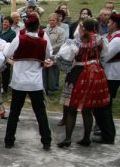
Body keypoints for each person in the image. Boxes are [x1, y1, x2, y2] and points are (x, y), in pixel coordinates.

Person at [54, 18, 110, 147]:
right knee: (87, 109)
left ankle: (68, 138)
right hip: (96, 73)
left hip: (79, 73)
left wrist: (55, 59)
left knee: (71, 109)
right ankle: (86, 137)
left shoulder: (76, 42)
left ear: (83, 28)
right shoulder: (101, 40)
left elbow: (66, 57)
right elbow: (104, 55)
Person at [3, 14, 53, 150]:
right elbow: (48, 55)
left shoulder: (19, 39)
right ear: (38, 27)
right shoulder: (43, 42)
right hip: (35, 82)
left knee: (14, 112)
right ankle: (46, 140)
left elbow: (7, 53)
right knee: (40, 113)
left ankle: (9, 140)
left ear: (25, 27)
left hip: (19, 81)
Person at [93, 13, 120, 145]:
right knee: (104, 106)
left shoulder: (117, 39)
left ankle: (108, 135)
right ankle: (107, 131)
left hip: (112, 75)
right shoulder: (112, 37)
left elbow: (105, 56)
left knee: (104, 105)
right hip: (110, 74)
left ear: (114, 24)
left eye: (109, 22)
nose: (107, 24)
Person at [44, 13, 66, 96]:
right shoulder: (45, 30)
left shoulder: (61, 31)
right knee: (45, 71)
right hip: (45, 54)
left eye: (53, 20)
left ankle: (52, 89)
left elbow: (60, 44)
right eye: (50, 20)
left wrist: (50, 49)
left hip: (55, 54)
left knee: (53, 72)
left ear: (57, 21)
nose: (51, 22)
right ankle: (44, 87)